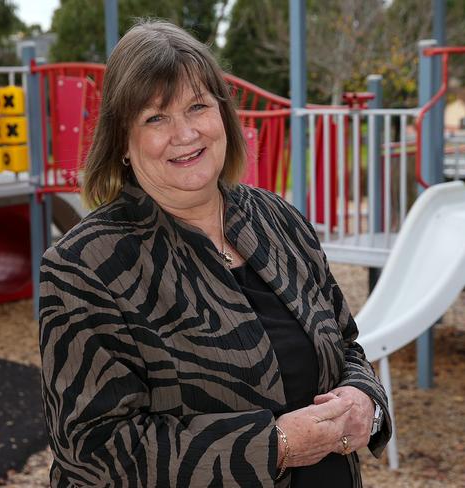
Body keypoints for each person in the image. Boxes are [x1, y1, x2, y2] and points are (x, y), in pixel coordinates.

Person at [39, 20, 391, 487]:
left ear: (223, 117)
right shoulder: (86, 265)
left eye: (197, 106)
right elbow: (94, 447)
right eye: (155, 118)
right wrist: (274, 446)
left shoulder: (277, 219)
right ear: (123, 143)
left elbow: (347, 346)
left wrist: (367, 400)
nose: (185, 133)